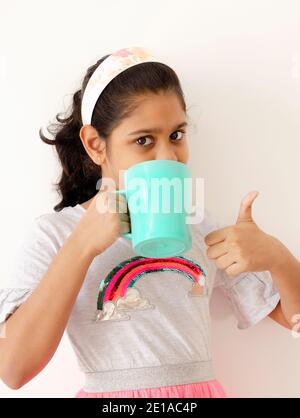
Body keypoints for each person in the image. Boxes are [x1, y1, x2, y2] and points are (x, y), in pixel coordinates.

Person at [0, 46, 299, 398]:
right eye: (143, 140)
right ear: (96, 145)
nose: (168, 156)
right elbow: (13, 370)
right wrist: (80, 247)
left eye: (176, 135)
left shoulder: (201, 227)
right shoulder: (56, 235)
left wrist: (279, 258)